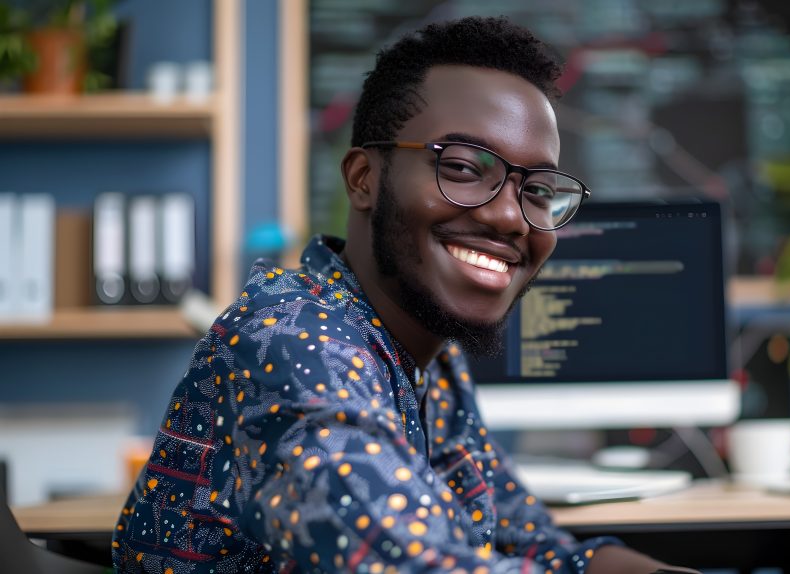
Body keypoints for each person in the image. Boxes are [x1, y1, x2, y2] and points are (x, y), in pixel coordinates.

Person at [112, 16, 689, 574]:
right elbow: (397, 558)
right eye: (463, 167)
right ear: (364, 179)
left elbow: (526, 540)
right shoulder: (290, 336)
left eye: (538, 190)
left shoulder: (432, 362)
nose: (513, 218)